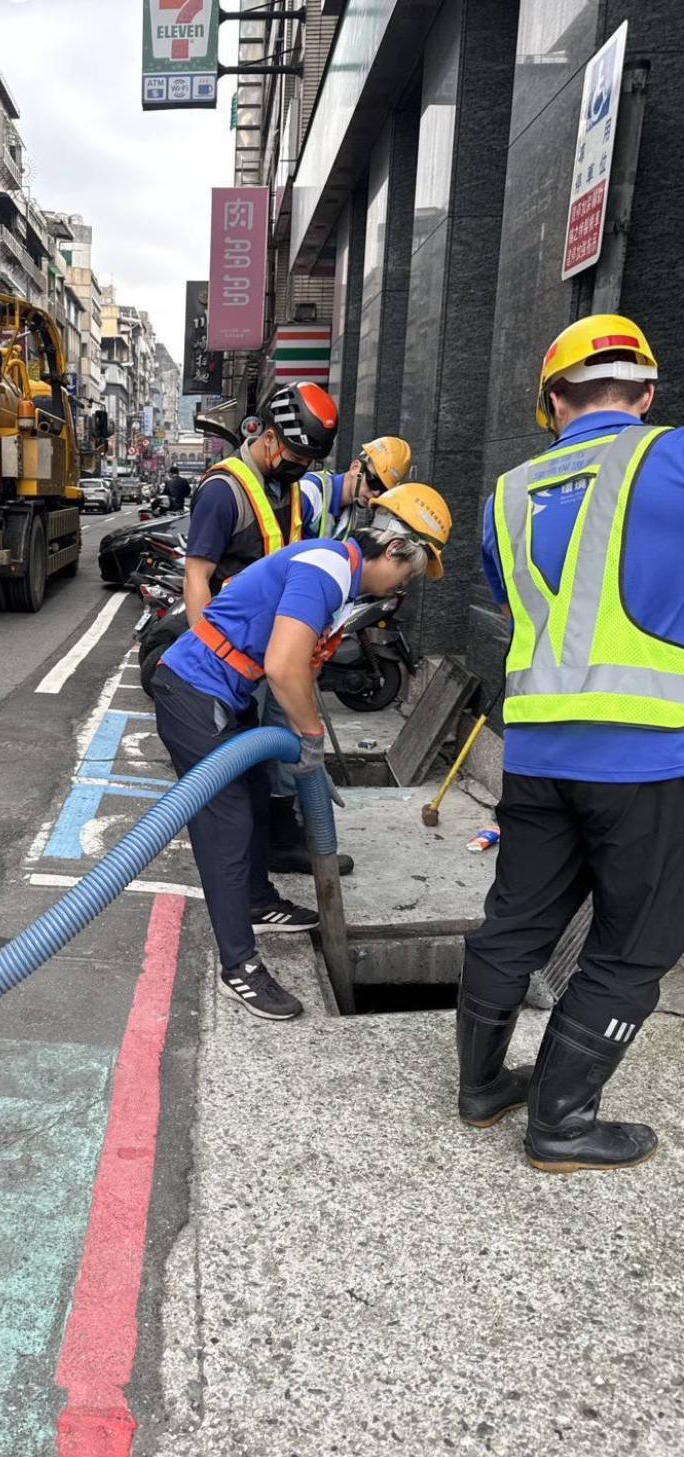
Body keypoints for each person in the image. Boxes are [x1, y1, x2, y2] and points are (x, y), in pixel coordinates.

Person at [459, 313, 684, 1174]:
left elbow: (513, 607)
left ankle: (482, 1087)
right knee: (631, 946)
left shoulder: (507, 493)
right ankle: (560, 1124)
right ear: (647, 392)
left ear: (553, 400)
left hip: (536, 752)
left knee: (514, 921)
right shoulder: (670, 458)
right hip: (649, 753)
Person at [156, 486, 451, 1020]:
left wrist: (306, 748)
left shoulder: (340, 578)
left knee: (252, 796)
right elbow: (283, 665)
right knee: (226, 825)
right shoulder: (328, 569)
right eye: (407, 575)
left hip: (223, 693)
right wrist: (312, 739)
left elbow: (303, 669)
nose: (403, 588)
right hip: (193, 691)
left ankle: (256, 901)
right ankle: (239, 966)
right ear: (394, 550)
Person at [182, 381, 349, 878]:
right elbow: (197, 576)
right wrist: (210, 662)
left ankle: (282, 836)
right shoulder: (223, 491)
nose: (301, 467)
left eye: (309, 460)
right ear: (269, 436)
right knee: (243, 754)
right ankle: (253, 855)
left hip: (277, 646)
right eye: (296, 455)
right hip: (235, 652)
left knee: (282, 738)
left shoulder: (288, 488)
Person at [300, 435, 414, 540]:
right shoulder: (310, 492)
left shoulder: (351, 515)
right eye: (374, 482)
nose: (376, 493)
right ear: (355, 467)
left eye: (384, 490)